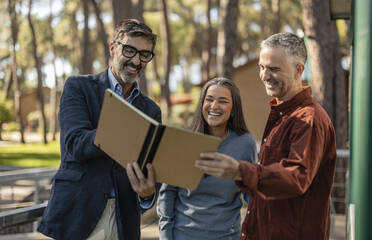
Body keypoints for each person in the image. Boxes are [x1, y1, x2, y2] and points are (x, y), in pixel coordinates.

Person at [195, 32, 337, 240]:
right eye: (262, 67)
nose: (264, 75)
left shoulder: (310, 119)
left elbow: (296, 176)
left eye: (274, 69)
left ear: (299, 70)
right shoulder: (282, 115)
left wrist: (240, 171)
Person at [38, 19, 161, 240]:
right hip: (77, 214)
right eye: (130, 50)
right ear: (113, 48)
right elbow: (75, 144)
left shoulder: (151, 110)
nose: (136, 61)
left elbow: (150, 166)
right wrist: (123, 130)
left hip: (125, 220)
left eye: (145, 54)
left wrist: (149, 194)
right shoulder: (78, 87)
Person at [157, 77, 257, 240]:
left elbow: (252, 196)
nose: (214, 106)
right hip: (183, 235)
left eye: (223, 101)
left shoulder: (245, 143)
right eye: (209, 99)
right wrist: (166, 236)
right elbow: (167, 193)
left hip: (227, 236)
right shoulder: (183, 141)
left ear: (233, 109)